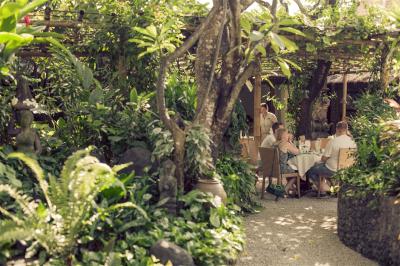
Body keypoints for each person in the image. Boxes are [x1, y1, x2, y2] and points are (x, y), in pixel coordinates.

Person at [306, 121, 356, 196]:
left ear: (337, 129)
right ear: (346, 129)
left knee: (311, 170)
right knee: (322, 167)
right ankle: (330, 188)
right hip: (347, 170)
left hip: (333, 170)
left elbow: (324, 159)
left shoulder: (333, 141)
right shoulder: (353, 142)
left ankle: (326, 189)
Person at [273, 128, 300, 196]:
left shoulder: (274, 143)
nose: (288, 135)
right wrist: (290, 142)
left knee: (291, 169)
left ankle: (292, 189)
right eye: (287, 133)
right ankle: (285, 189)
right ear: (283, 135)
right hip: (281, 168)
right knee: (298, 172)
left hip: (273, 168)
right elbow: (297, 152)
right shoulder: (285, 144)